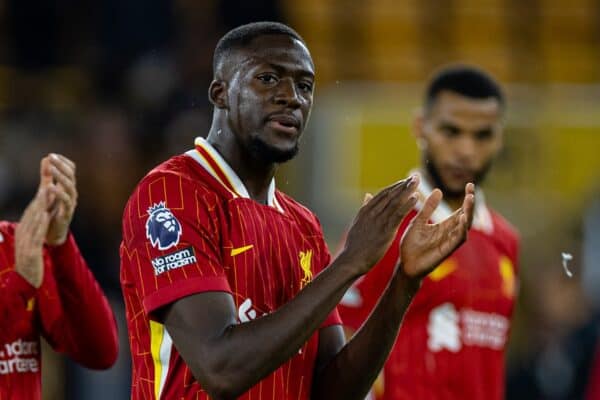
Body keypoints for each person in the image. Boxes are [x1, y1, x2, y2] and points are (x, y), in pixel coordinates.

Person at [120, 22, 474, 400]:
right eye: (269, 78)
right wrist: (349, 263)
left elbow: (331, 391)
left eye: (304, 86)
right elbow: (220, 368)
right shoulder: (172, 193)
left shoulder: (302, 225)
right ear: (220, 93)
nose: (291, 97)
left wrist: (404, 282)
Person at [338, 65, 520, 400]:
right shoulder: (386, 223)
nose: (466, 150)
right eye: (451, 132)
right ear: (421, 126)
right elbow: (338, 344)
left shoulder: (506, 241)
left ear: (499, 139)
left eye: (482, 135)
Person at [0, 154, 119, 399]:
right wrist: (21, 285)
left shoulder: (15, 247)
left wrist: (60, 245)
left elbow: (100, 351)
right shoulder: (21, 261)